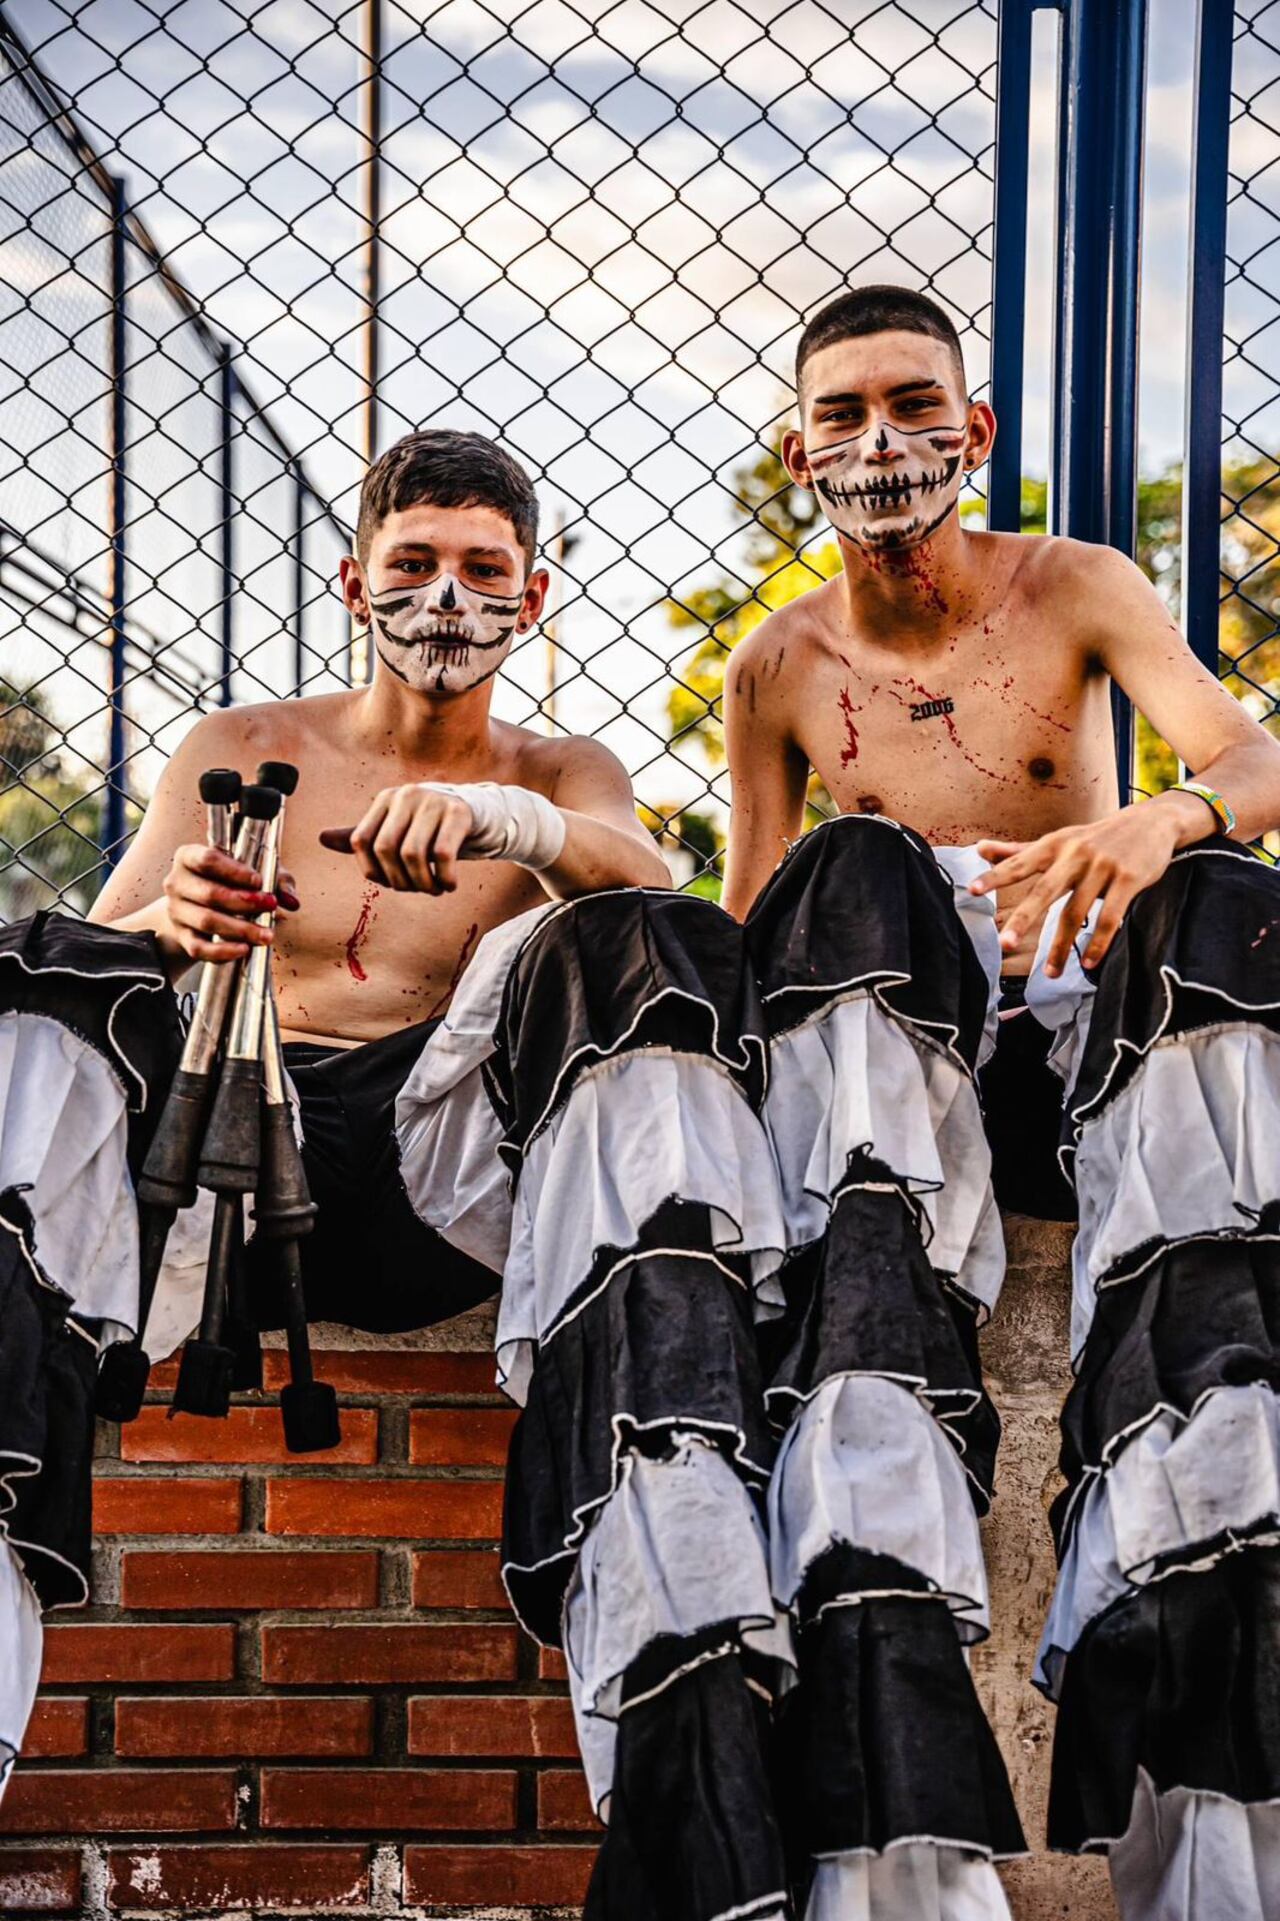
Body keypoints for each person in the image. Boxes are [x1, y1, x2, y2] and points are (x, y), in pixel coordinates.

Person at [1, 431, 806, 1921]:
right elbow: (107, 968)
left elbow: (661, 894)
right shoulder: (238, 740)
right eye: (416, 562)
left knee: (611, 944)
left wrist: (525, 829)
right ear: (354, 579)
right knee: (40, 971)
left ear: (536, 593)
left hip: (442, 1176)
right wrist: (176, 910)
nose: (447, 595)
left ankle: (690, 1737)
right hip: (237, 1153)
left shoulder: (562, 769)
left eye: (483, 568)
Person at [722, 284, 1280, 1921]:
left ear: (973, 434)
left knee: (1228, 891)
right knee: (853, 864)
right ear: (797, 451)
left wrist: (1150, 824)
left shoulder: (1076, 587)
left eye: (914, 404)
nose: (879, 439)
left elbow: (1251, 763)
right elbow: (758, 920)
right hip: (909, 1092)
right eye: (842, 412)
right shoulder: (778, 666)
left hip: (1082, 1046)